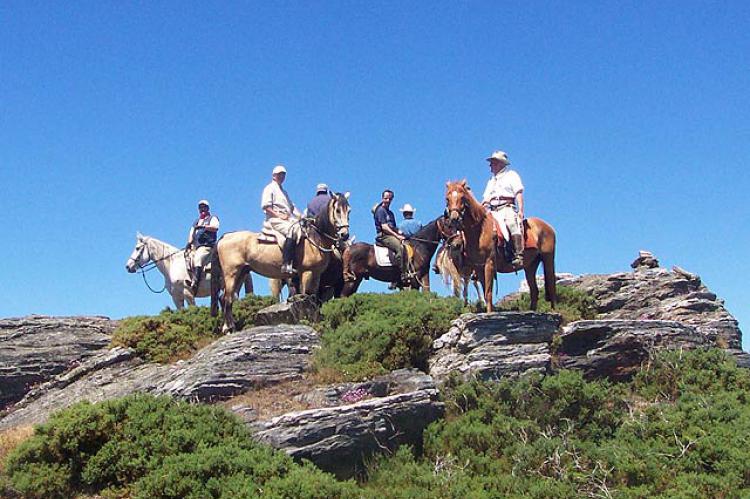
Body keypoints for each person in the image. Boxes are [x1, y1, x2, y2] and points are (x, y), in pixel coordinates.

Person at [481, 150, 525, 267]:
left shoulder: (511, 175)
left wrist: (521, 210)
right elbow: (485, 198)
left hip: (507, 208)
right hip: (493, 210)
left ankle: (518, 254)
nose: (490, 166)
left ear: (501, 164)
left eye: (493, 163)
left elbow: (518, 193)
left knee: (511, 224)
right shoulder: (491, 181)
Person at [261, 165, 302, 274]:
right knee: (292, 230)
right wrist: (279, 216)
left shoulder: (284, 192)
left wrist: (303, 217)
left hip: (287, 219)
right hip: (275, 220)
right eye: (279, 174)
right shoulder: (269, 188)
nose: (282, 177)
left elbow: (292, 208)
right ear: (274, 176)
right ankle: (286, 263)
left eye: (283, 175)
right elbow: (266, 206)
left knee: (301, 229)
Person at [186, 199, 219, 295]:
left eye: (204, 207)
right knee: (187, 258)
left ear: (208, 208)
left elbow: (215, 227)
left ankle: (195, 283)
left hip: (207, 246)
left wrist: (204, 227)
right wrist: (189, 242)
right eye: (200, 208)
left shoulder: (213, 218)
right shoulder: (196, 221)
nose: (202, 209)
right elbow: (191, 232)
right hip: (196, 247)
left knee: (198, 258)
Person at [373, 189, 408, 280]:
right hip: (384, 236)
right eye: (386, 198)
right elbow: (384, 227)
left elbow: (393, 227)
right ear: (382, 198)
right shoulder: (380, 211)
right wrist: (397, 236)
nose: (387, 201)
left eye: (389, 199)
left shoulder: (391, 213)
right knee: (400, 248)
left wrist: (400, 233)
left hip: (391, 234)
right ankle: (402, 274)